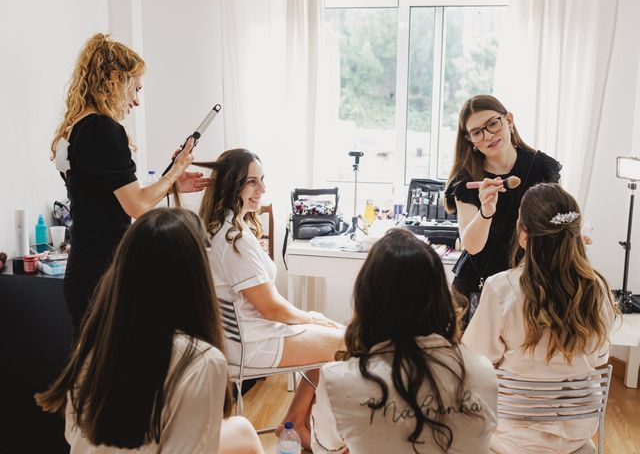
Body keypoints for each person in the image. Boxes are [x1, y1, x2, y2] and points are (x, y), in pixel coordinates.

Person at [35, 208, 264, 453]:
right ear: (198, 272)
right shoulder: (202, 362)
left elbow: (73, 434)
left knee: (241, 430)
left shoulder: (95, 342)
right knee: (242, 432)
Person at [50, 33, 210, 334]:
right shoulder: (103, 128)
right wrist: (174, 172)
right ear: (114, 79)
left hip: (85, 269)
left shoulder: (77, 128)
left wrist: (173, 185)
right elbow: (135, 205)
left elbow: (105, 197)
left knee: (95, 369)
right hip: (101, 273)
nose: (136, 101)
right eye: (134, 88)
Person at [196, 149, 344, 450]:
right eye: (252, 182)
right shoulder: (232, 239)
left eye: (262, 180)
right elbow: (270, 307)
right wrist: (308, 317)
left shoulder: (222, 229)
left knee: (330, 334)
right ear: (231, 186)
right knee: (346, 343)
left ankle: (295, 422)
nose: (262, 189)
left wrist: (309, 317)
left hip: (241, 337)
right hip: (254, 343)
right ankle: (318, 432)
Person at [310, 229, 497, 453]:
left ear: (367, 298)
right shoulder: (482, 370)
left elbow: (324, 447)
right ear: (440, 297)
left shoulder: (338, 380)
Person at [462, 183, 617, 454]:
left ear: (524, 234)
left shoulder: (502, 289)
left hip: (512, 440)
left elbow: (476, 361)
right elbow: (599, 358)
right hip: (576, 434)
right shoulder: (598, 288)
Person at [444, 95, 561, 319]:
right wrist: (486, 211)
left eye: (493, 123)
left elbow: (553, 225)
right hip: (478, 285)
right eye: (477, 132)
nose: (488, 135)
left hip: (529, 283)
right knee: (475, 353)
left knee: (522, 352)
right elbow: (472, 246)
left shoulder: (542, 168)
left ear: (509, 120)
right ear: (470, 140)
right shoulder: (467, 181)